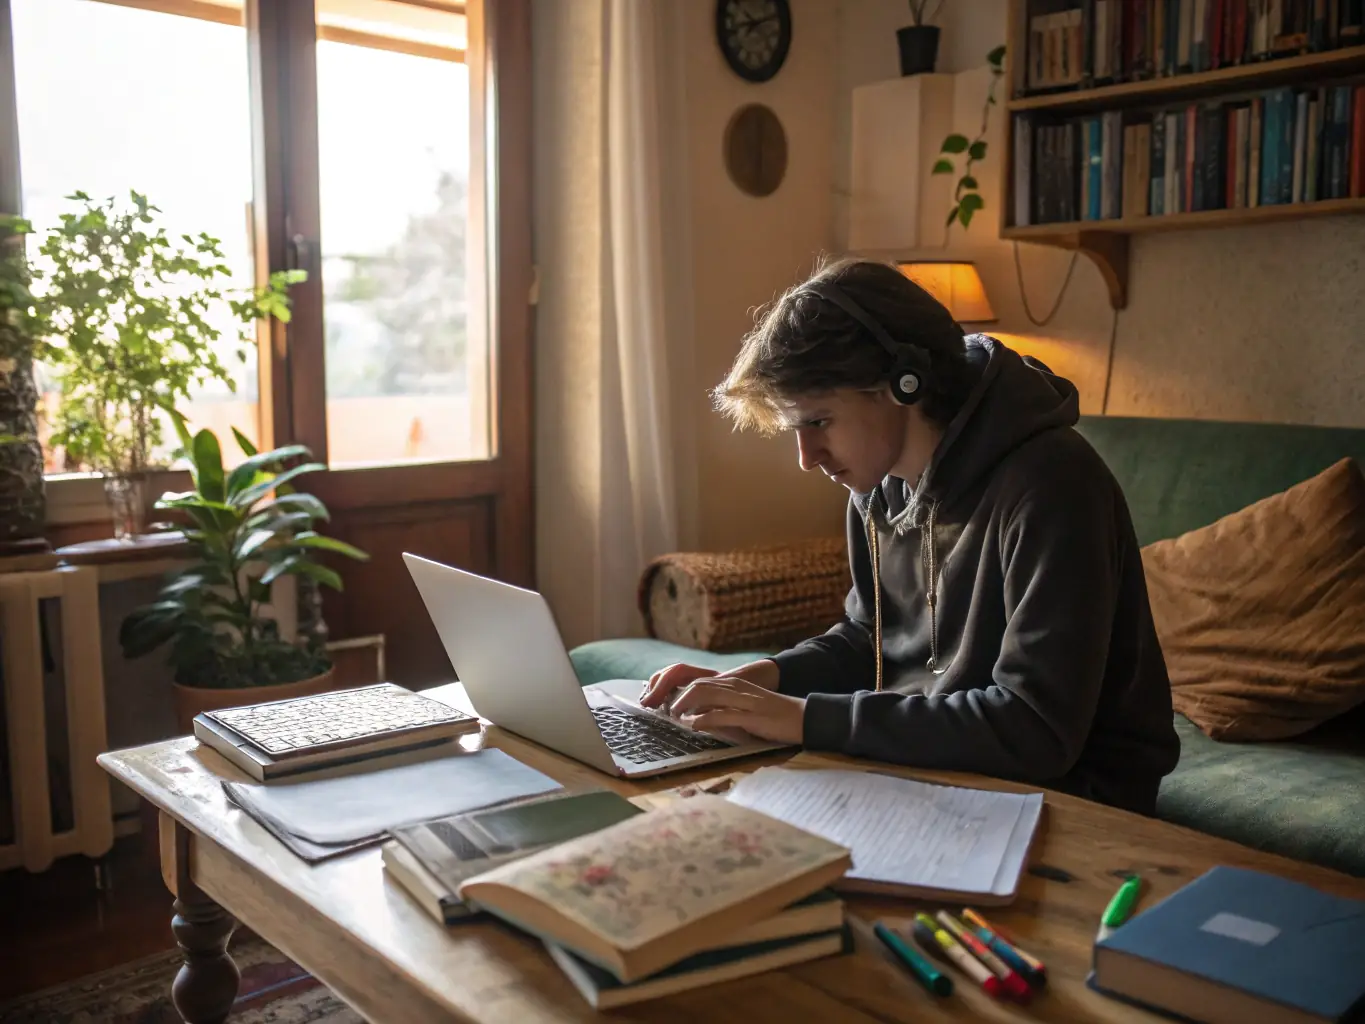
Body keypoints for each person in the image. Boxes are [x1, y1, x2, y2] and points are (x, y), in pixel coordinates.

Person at [639, 256, 1180, 815]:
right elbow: (869, 637)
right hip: (939, 768)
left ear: (905, 383)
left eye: (818, 422)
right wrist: (762, 681)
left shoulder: (1053, 484)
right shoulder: (876, 485)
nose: (806, 459)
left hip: (1077, 798)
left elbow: (1034, 730)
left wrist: (802, 719)